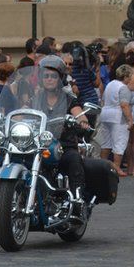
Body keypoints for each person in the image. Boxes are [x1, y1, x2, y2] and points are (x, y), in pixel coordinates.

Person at [34, 55, 88, 194]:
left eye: (53, 76)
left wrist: (81, 122)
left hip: (64, 146)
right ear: (41, 79)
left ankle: (77, 198)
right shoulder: (35, 99)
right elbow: (23, 113)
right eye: (46, 76)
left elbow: (80, 115)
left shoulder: (68, 99)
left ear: (60, 79)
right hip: (41, 146)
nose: (50, 79)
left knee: (74, 159)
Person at [98, 64, 134, 176]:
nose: (131, 78)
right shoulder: (123, 88)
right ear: (126, 76)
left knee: (106, 142)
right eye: (130, 76)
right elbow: (124, 105)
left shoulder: (110, 84)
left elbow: (103, 99)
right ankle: (116, 167)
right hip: (118, 117)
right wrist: (130, 120)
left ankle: (103, 166)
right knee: (120, 141)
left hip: (105, 114)